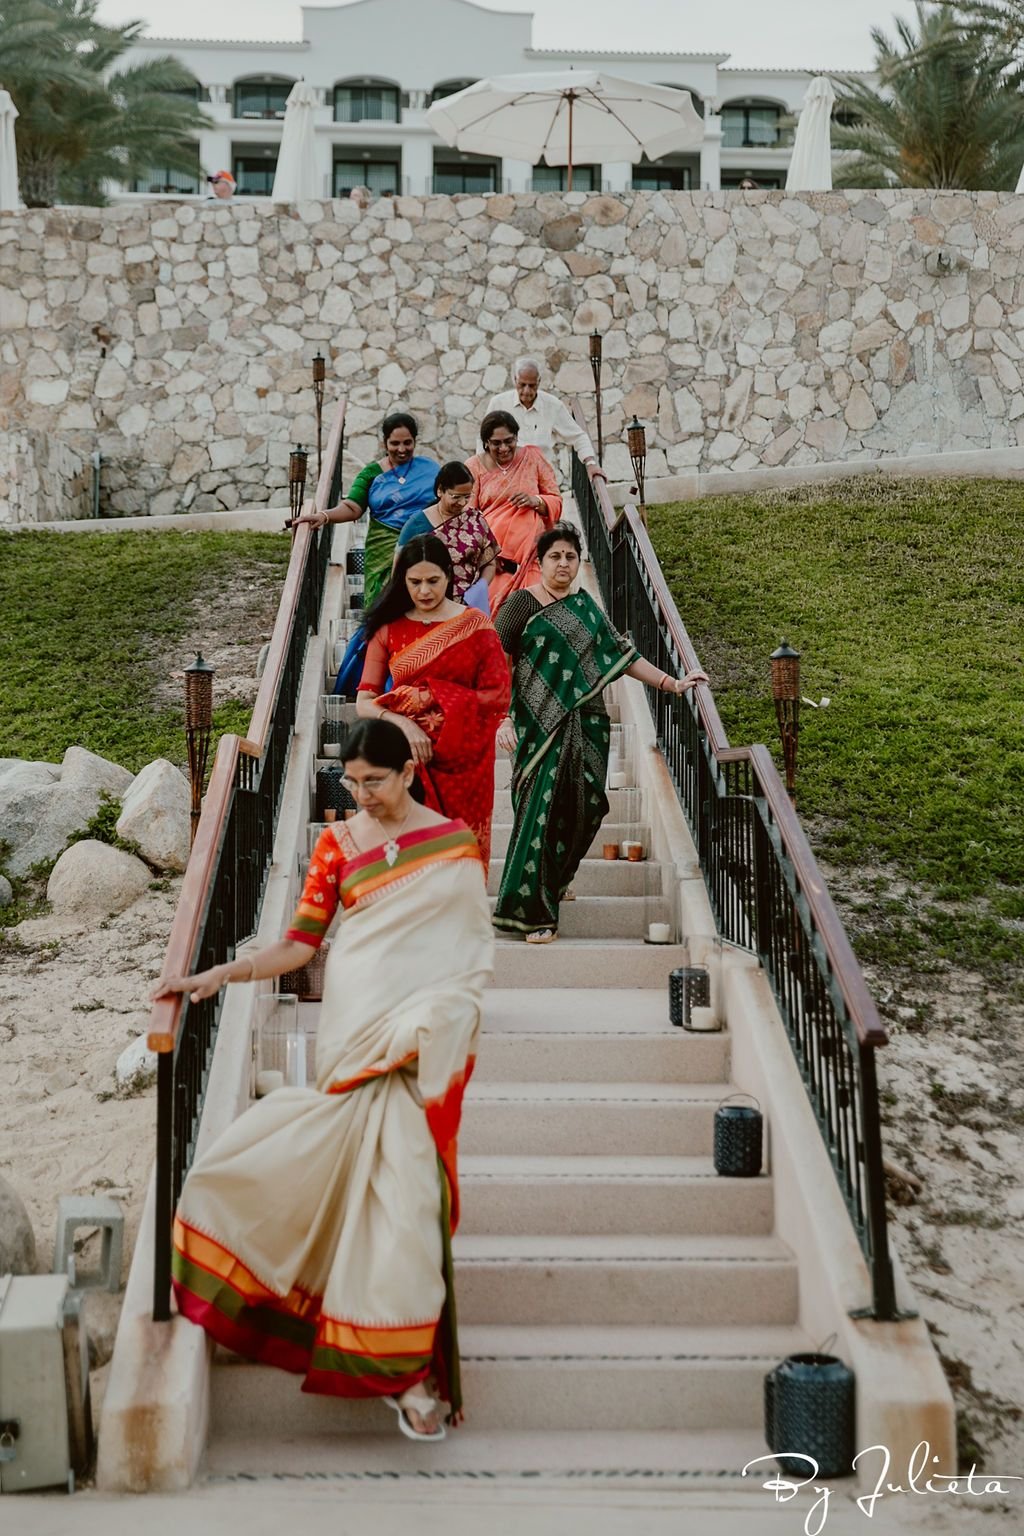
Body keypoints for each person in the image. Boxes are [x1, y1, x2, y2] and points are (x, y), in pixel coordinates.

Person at [154, 718, 494, 1441]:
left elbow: (469, 960)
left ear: (408, 772)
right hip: (357, 1033)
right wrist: (227, 970)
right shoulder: (337, 845)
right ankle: (359, 1334)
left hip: (418, 1049)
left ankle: (406, 1375)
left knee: (405, 1208)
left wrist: (438, 1017)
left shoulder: (457, 847)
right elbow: (300, 943)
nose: (363, 795)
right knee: (284, 1169)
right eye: (353, 782)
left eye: (376, 781)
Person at [493, 523, 708, 944]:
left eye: (570, 557)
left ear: (578, 562)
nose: (563, 563)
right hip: (538, 725)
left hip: (587, 721)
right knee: (541, 810)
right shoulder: (519, 605)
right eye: (554, 556)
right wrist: (502, 718)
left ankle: (556, 878)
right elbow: (494, 662)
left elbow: (621, 655)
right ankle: (534, 914)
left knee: (588, 804)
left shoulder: (586, 607)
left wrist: (673, 683)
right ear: (539, 563)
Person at [356, 535, 509, 867]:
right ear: (403, 581)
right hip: (406, 759)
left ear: (449, 576)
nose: (424, 591)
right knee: (411, 859)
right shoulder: (387, 629)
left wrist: (429, 697)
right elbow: (365, 702)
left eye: (432, 581)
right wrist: (404, 722)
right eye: (415, 582)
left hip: (465, 760)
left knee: (458, 859)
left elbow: (497, 696)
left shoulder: (476, 626)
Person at [292, 412, 437, 608]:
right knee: (386, 608)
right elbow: (352, 507)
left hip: (425, 547)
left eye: (407, 443)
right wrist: (324, 516)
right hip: (383, 549)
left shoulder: (430, 469)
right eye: (395, 443)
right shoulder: (371, 474)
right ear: (384, 442)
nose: (401, 449)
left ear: (415, 441)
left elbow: (445, 501)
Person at [465, 410, 562, 615]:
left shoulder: (532, 457)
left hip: (532, 554)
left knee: (539, 607)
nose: (503, 448)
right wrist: (488, 555)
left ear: (517, 437)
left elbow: (555, 499)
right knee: (497, 613)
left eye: (509, 441)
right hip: (495, 561)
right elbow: (468, 516)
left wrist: (535, 501)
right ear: (485, 443)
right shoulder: (474, 466)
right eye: (496, 443)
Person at [395, 461, 500, 612]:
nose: (462, 503)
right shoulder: (417, 525)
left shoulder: (475, 519)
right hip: (428, 605)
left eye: (467, 496)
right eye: (456, 497)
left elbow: (489, 563)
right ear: (440, 491)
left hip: (469, 605)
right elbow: (398, 572)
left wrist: (479, 588)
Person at [486, 356, 606, 482]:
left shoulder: (553, 405)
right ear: (515, 380)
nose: (526, 391)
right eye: (522, 385)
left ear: (539, 382)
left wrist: (591, 463)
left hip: (542, 478)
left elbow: (578, 436)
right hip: (507, 477)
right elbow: (483, 440)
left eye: (531, 385)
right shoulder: (498, 404)